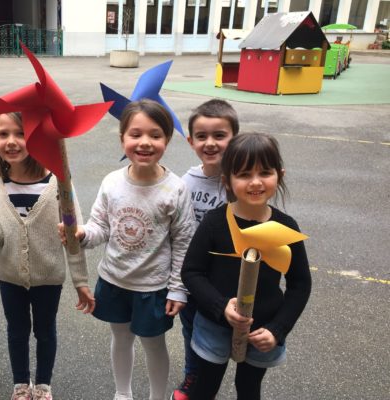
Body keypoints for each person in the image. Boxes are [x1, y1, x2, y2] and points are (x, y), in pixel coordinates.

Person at [61, 99, 196, 400]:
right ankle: (123, 393)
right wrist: (81, 234)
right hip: (114, 280)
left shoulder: (175, 189)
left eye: (155, 135)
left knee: (153, 344)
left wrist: (177, 289)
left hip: (153, 286)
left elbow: (184, 241)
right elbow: (100, 228)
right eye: (135, 134)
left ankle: (156, 396)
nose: (145, 142)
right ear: (122, 138)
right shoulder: (112, 183)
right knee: (120, 337)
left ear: (167, 140)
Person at [0, 111, 95, 400]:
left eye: (21, 134)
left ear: (37, 138)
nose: (11, 141)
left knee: (46, 332)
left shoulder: (60, 183)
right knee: (17, 332)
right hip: (10, 277)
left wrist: (81, 281)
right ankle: (21, 385)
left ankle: (44, 385)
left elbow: (71, 238)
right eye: (3, 134)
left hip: (49, 277)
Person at [181, 133, 312, 400]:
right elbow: (192, 272)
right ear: (226, 180)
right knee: (204, 387)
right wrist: (220, 306)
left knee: (249, 388)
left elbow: (300, 283)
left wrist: (278, 329)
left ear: (280, 175)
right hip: (214, 323)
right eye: (243, 174)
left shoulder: (286, 227)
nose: (255, 182)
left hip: (262, 329)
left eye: (265, 172)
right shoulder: (215, 222)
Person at [171, 99, 239, 400]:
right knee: (192, 332)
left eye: (219, 135)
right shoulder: (185, 182)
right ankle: (192, 377)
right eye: (202, 136)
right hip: (193, 278)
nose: (210, 143)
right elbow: (177, 230)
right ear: (190, 141)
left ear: (235, 138)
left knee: (228, 334)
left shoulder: (242, 181)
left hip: (229, 278)